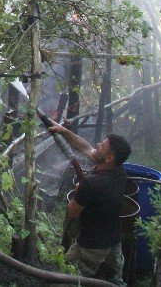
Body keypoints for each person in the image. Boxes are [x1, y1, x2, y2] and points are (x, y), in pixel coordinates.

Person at [48, 121, 131, 286]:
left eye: (101, 146)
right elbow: (85, 147)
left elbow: (72, 211)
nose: (97, 145)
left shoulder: (91, 183)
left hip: (90, 246)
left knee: (68, 277)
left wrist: (79, 190)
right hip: (114, 242)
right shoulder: (120, 172)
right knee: (115, 281)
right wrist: (63, 130)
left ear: (109, 158)